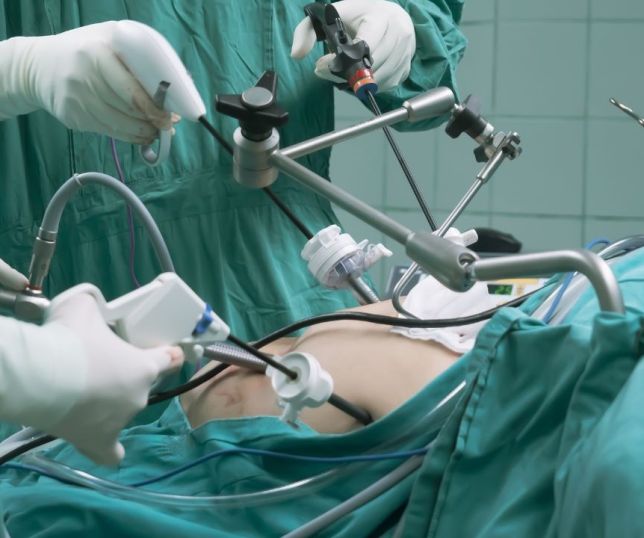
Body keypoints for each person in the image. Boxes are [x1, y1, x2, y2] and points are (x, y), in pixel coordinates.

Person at [0, 0, 468, 343]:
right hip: (59, 306)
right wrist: (16, 71)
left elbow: (425, 74)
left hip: (281, 287)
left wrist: (400, 19)